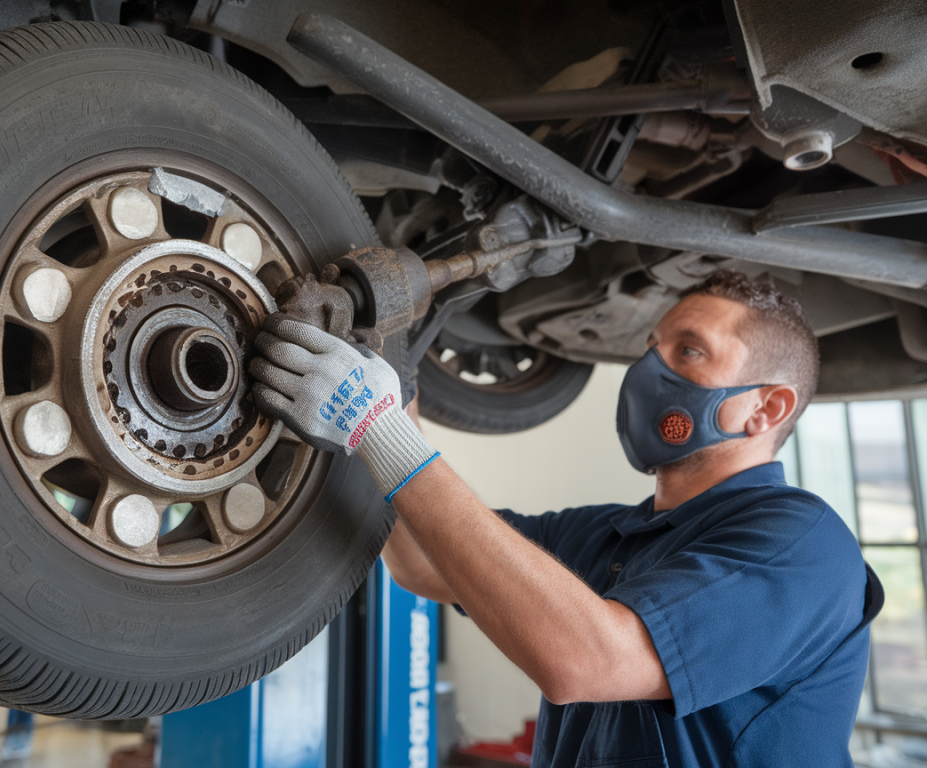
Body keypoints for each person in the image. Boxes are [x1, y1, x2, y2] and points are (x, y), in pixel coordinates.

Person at [249, 269, 881, 767]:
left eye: (689, 353)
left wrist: (375, 423)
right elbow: (420, 560)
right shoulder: (607, 537)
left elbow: (588, 661)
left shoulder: (800, 544)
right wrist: (394, 366)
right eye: (650, 347)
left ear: (766, 408)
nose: (650, 371)